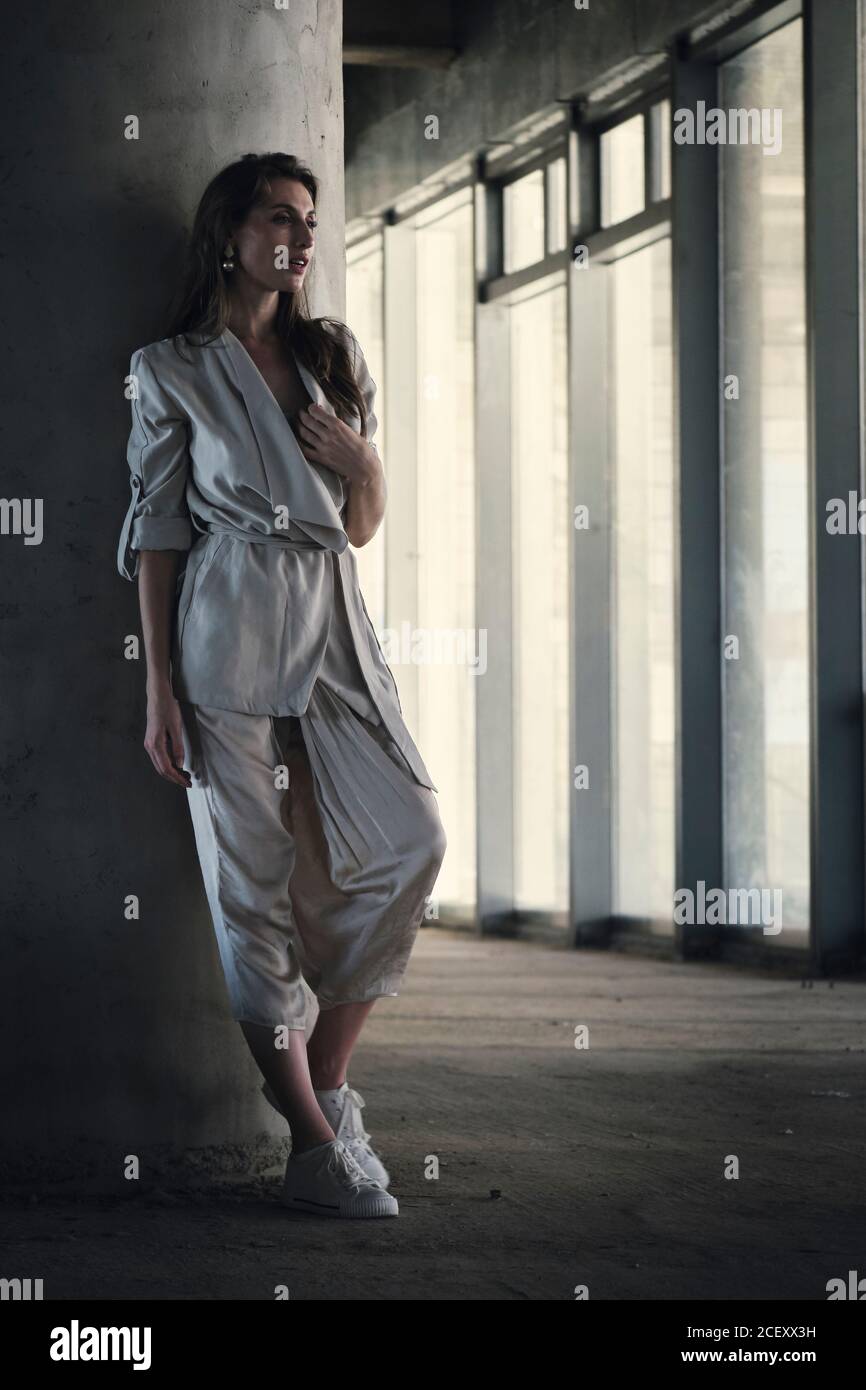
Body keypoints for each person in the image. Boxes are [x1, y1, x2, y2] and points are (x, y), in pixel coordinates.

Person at [116, 152, 447, 1220]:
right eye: (279, 218)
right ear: (230, 231)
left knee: (409, 837)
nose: (300, 240)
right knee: (249, 893)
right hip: (226, 628)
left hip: (333, 621)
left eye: (309, 223)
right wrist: (160, 689)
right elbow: (158, 532)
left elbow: (351, 524)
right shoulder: (169, 368)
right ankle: (312, 1146)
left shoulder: (326, 356)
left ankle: (332, 1083)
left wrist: (366, 466)